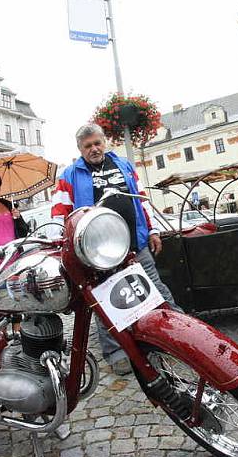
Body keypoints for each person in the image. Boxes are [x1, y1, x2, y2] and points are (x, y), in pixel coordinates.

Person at [51, 124, 181, 375]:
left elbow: (141, 198)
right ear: (80, 149)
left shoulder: (124, 165)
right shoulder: (69, 175)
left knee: (154, 289)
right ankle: (116, 352)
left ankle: (178, 333)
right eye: (88, 146)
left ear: (104, 142)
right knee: (107, 301)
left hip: (135, 242)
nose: (94, 149)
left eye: (97, 143)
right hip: (98, 252)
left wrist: (152, 230)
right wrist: (61, 242)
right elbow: (59, 214)